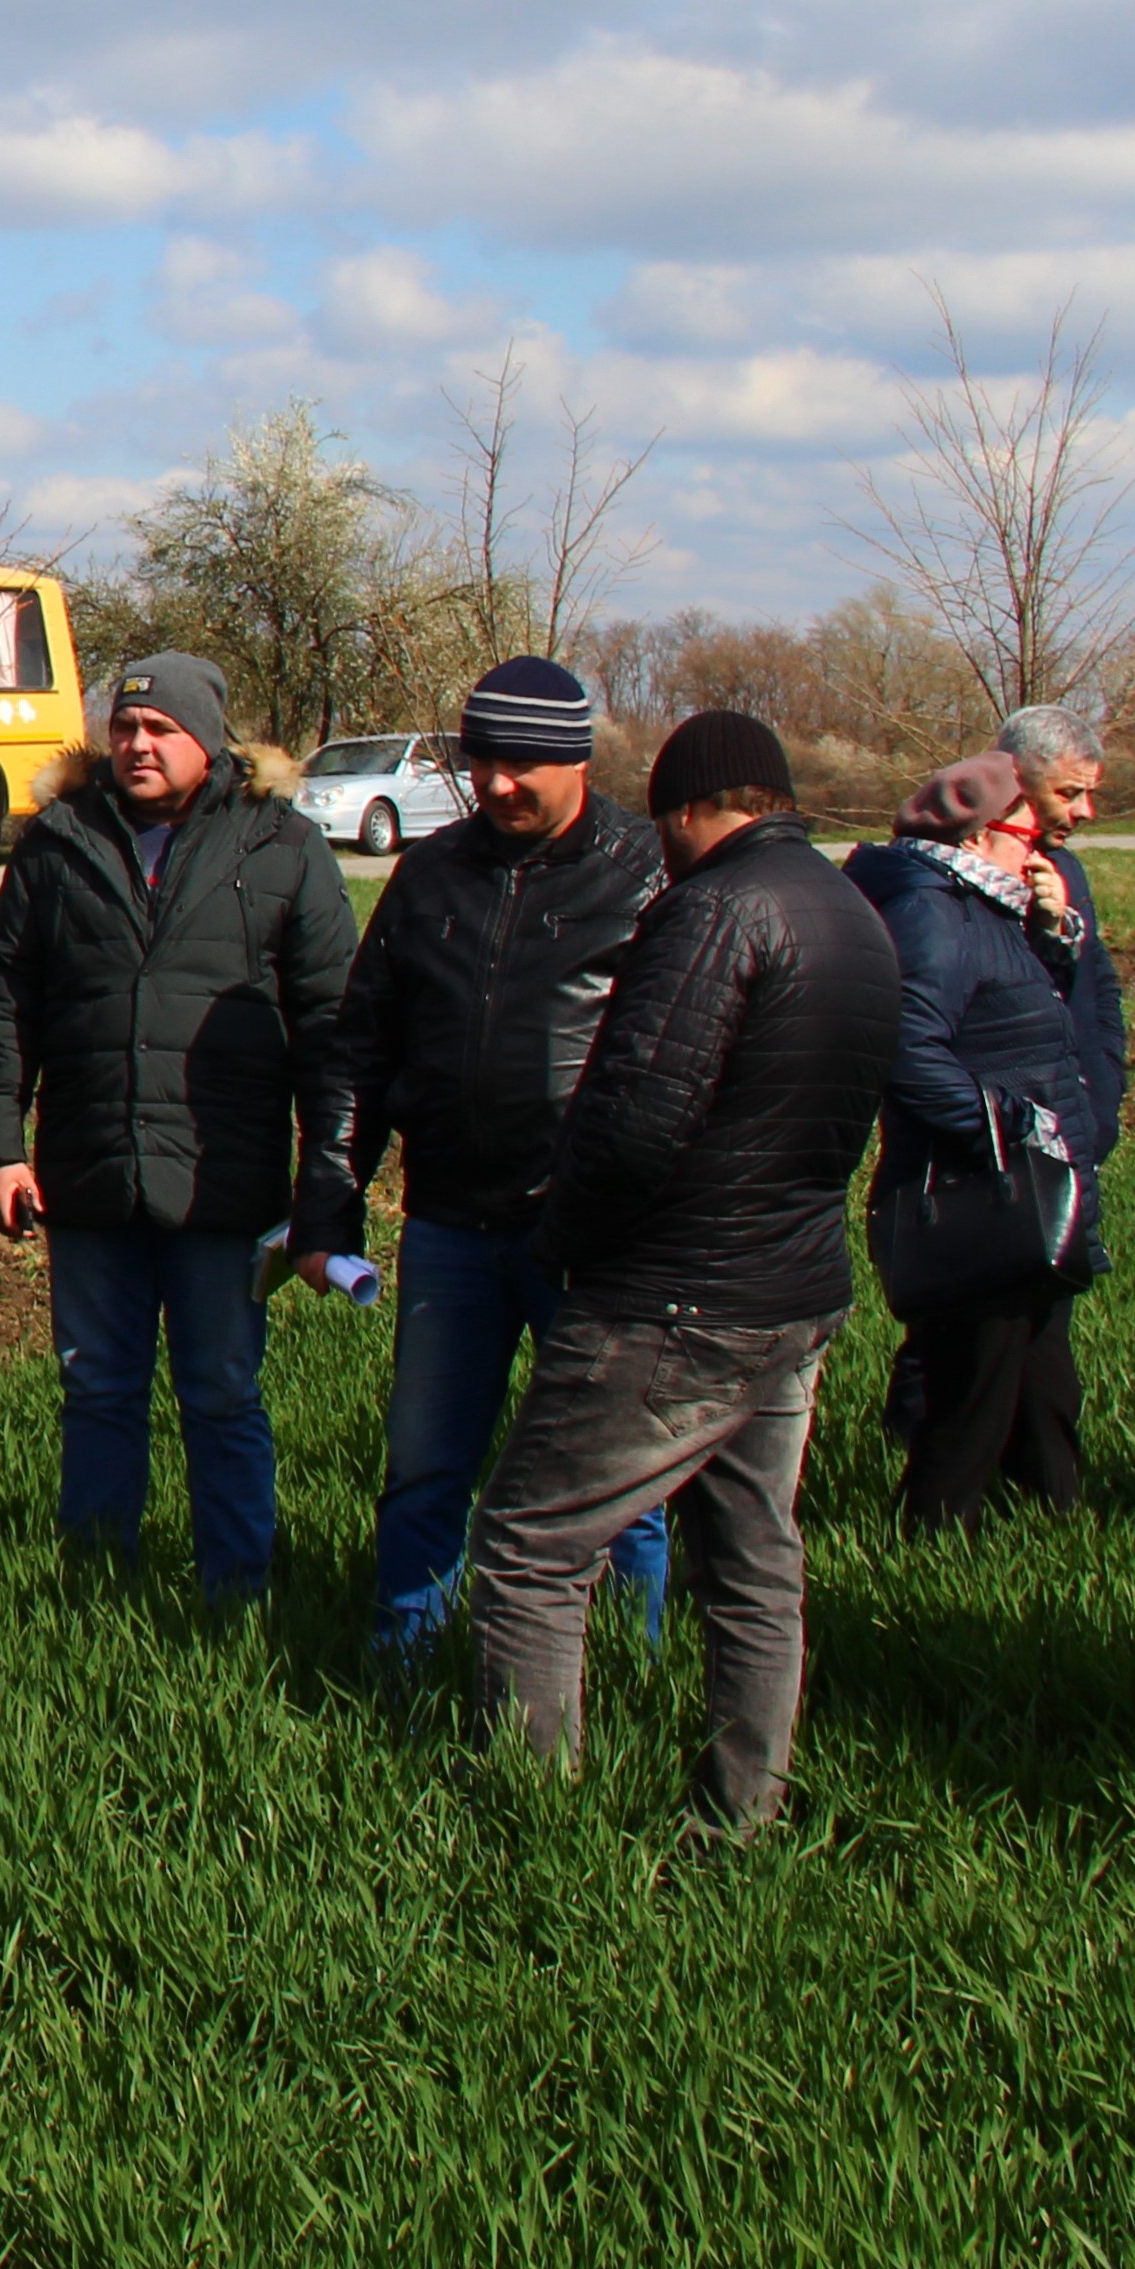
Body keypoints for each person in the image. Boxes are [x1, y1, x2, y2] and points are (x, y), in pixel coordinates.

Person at [471, 710, 898, 1832]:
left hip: (674, 1293)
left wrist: (560, 1237)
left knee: (530, 1543)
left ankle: (529, 1816)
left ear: (682, 808)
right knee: (753, 1557)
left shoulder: (709, 911)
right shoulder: (852, 912)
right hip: (795, 1290)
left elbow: (635, 1123)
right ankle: (742, 1809)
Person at [0, 650, 357, 1601]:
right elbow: (7, 999)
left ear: (208, 739)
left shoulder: (278, 845)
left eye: (160, 730)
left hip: (224, 1178)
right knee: (97, 1392)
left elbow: (333, 1020)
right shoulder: (58, 841)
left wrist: (327, 1177)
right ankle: (97, 1591)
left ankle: (236, 1591)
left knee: (220, 1395)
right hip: (90, 1175)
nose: (137, 745)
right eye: (125, 728)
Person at [326, 656, 672, 1658]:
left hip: (590, 1233)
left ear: (579, 759)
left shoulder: (642, 871)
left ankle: (625, 1663)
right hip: (450, 1226)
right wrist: (329, 1203)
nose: (498, 784)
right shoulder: (430, 872)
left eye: (523, 764)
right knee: (427, 1464)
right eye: (483, 762)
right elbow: (362, 1045)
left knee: (619, 1479)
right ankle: (407, 1658)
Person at [848, 751, 1122, 1528]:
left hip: (1019, 1191)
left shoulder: (989, 905)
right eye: (1026, 829)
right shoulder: (931, 913)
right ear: (974, 837)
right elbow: (906, 1050)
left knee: (1041, 1389)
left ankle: (1057, 1530)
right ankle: (925, 1555)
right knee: (969, 1405)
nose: (1041, 847)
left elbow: (1030, 1017)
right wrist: (1003, 1122)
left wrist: (1054, 935)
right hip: (976, 1196)